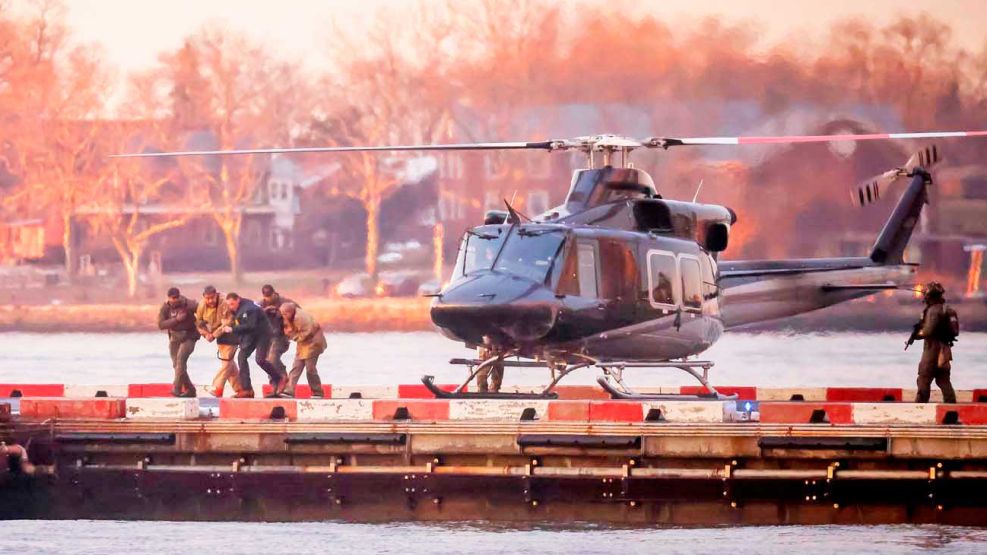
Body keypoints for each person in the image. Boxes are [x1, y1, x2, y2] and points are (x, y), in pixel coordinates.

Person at [223, 292, 288, 398]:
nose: (231, 307)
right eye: (229, 304)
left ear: (238, 300)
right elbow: (242, 323)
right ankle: (247, 390)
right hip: (251, 335)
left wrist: (232, 329)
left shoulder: (249, 309)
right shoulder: (239, 308)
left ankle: (279, 378)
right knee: (242, 357)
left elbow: (250, 325)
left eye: (232, 304)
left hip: (263, 335)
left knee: (260, 360)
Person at [907, 281, 958, 403]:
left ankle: (921, 405)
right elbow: (955, 331)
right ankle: (951, 406)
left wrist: (918, 334)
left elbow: (928, 331)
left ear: (930, 295)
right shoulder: (949, 310)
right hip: (945, 349)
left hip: (932, 349)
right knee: (943, 379)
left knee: (924, 377)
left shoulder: (933, 311)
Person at [195, 285, 241, 397]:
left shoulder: (225, 302)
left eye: (212, 298)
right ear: (204, 297)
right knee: (229, 364)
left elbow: (228, 321)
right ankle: (242, 389)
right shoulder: (202, 305)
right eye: (207, 298)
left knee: (226, 362)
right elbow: (198, 322)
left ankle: (217, 388)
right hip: (218, 334)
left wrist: (213, 335)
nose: (210, 300)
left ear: (216, 295)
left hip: (232, 332)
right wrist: (206, 334)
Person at [156, 287, 199, 397]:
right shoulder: (165, 308)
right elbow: (161, 324)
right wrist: (176, 320)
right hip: (175, 337)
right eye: (172, 298)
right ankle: (190, 389)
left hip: (189, 336)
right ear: (169, 298)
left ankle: (177, 388)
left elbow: (201, 310)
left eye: (177, 297)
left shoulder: (188, 304)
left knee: (180, 361)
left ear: (179, 296)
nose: (175, 300)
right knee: (177, 364)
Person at [279, 302, 326, 398]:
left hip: (313, 343)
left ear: (290, 312)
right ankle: (289, 390)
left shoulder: (301, 318)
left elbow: (307, 332)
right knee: (296, 367)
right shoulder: (291, 316)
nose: (283, 316)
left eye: (285, 314)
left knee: (310, 369)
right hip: (302, 345)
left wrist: (292, 336)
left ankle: (317, 392)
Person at [258, 284, 295, 388]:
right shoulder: (260, 305)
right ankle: (275, 386)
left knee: (272, 358)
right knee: (266, 362)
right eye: (266, 297)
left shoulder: (286, 302)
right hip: (267, 337)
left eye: (270, 296)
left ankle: (282, 376)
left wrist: (282, 315)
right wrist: (264, 312)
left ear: (274, 293)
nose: (269, 299)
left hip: (281, 336)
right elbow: (253, 318)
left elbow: (299, 314)